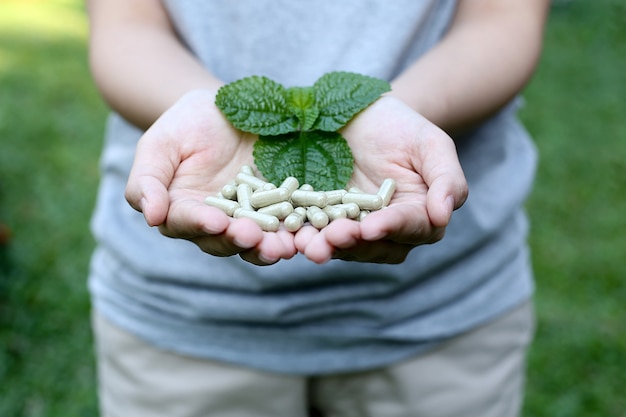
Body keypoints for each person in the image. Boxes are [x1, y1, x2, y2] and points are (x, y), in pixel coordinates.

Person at [86, 0, 548, 416]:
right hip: (181, 314)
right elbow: (125, 22)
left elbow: (504, 18)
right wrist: (197, 106)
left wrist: (410, 109)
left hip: (440, 313)